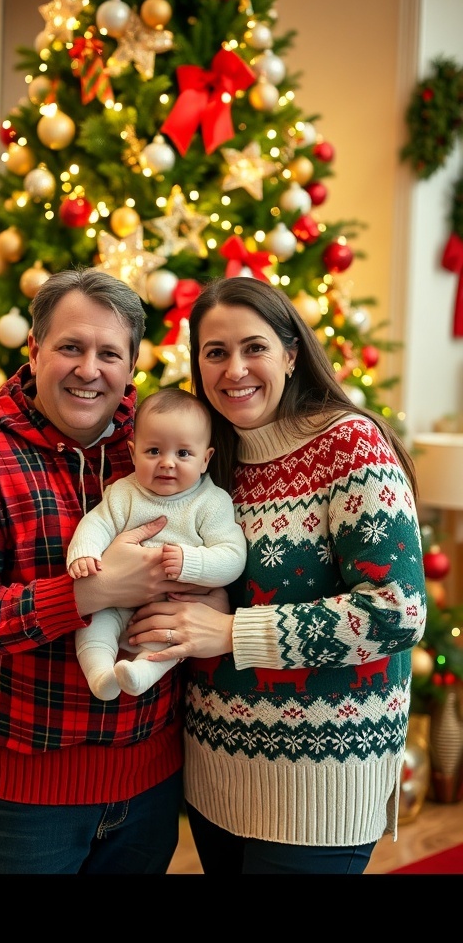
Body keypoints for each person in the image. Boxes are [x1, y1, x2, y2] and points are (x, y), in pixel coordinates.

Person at [0, 267, 225, 876]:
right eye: (70, 347)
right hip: (27, 796)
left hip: (151, 781)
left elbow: (226, 537)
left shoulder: (160, 447)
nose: (90, 370)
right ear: (33, 352)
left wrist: (210, 605)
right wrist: (90, 593)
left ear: (132, 365)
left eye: (109, 353)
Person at [126, 276, 427, 875]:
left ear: (291, 354)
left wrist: (229, 632)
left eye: (254, 347)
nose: (235, 369)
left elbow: (397, 612)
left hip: (321, 781)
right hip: (216, 773)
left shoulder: (348, 446)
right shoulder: (209, 461)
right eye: (215, 352)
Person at [69, 388, 246, 700]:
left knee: (173, 637)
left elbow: (232, 557)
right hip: (114, 600)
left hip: (171, 606)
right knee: (93, 624)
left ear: (205, 459)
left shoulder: (210, 502)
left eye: (183, 454)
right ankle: (100, 674)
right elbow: (97, 522)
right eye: (153, 452)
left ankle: (141, 673)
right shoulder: (124, 493)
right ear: (134, 452)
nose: (167, 463)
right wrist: (84, 551)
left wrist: (192, 562)